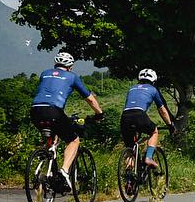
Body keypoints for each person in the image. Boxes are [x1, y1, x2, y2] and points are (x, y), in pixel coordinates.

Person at [29, 51, 103, 192]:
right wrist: (99, 114)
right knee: (74, 140)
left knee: (52, 139)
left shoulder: (45, 73)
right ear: (70, 66)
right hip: (54, 111)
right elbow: (90, 99)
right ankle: (63, 171)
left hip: (35, 110)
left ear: (56, 64)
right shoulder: (72, 76)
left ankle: (46, 167)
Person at [120, 68, 174, 171]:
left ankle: (129, 178)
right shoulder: (153, 89)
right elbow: (162, 110)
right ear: (153, 80)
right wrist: (170, 124)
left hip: (125, 116)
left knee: (130, 148)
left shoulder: (131, 88)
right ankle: (148, 158)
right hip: (139, 115)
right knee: (154, 132)